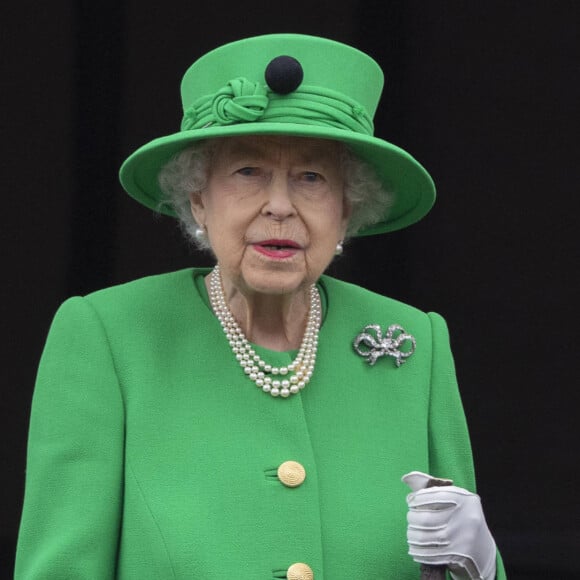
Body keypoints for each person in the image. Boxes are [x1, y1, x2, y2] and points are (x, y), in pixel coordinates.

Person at [15, 33, 506, 579]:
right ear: (199, 198)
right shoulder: (108, 336)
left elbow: (457, 553)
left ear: (346, 210)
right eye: (247, 171)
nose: (279, 205)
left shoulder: (415, 344)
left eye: (311, 178)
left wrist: (479, 567)